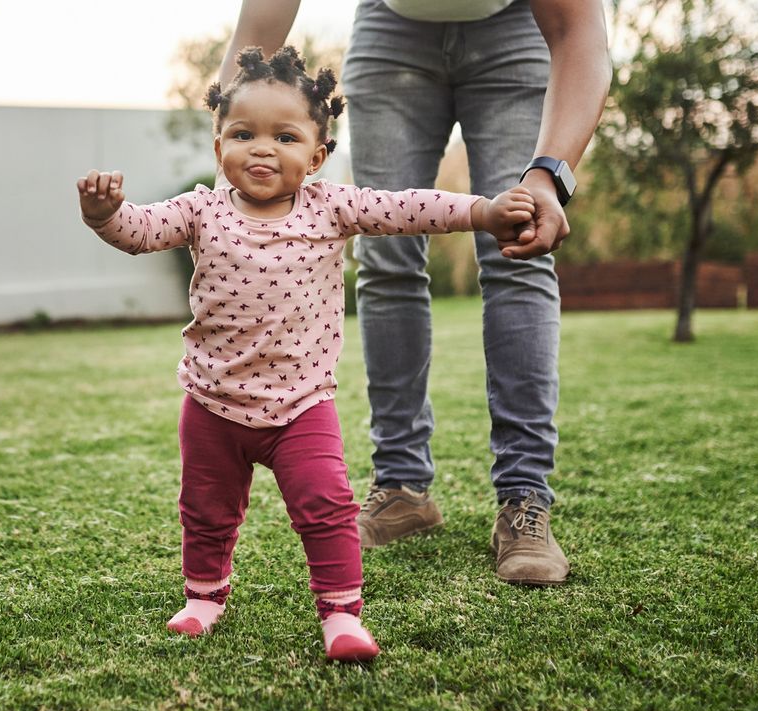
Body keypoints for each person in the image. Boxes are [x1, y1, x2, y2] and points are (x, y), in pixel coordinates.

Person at [76, 46, 539, 661]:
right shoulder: (200, 210)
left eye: (285, 136)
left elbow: (409, 207)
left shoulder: (332, 207)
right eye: (243, 133)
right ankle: (204, 597)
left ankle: (342, 616)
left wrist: (481, 211)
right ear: (219, 149)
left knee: (326, 508)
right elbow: (140, 231)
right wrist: (104, 215)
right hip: (212, 404)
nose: (262, 148)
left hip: (301, 408)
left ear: (316, 157)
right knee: (205, 510)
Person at [221, 0, 610, 586]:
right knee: (385, 256)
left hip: (516, 29)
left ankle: (525, 498)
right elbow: (258, 29)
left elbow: (580, 31)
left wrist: (549, 175)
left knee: (519, 246)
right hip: (392, 31)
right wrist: (229, 139)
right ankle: (402, 488)